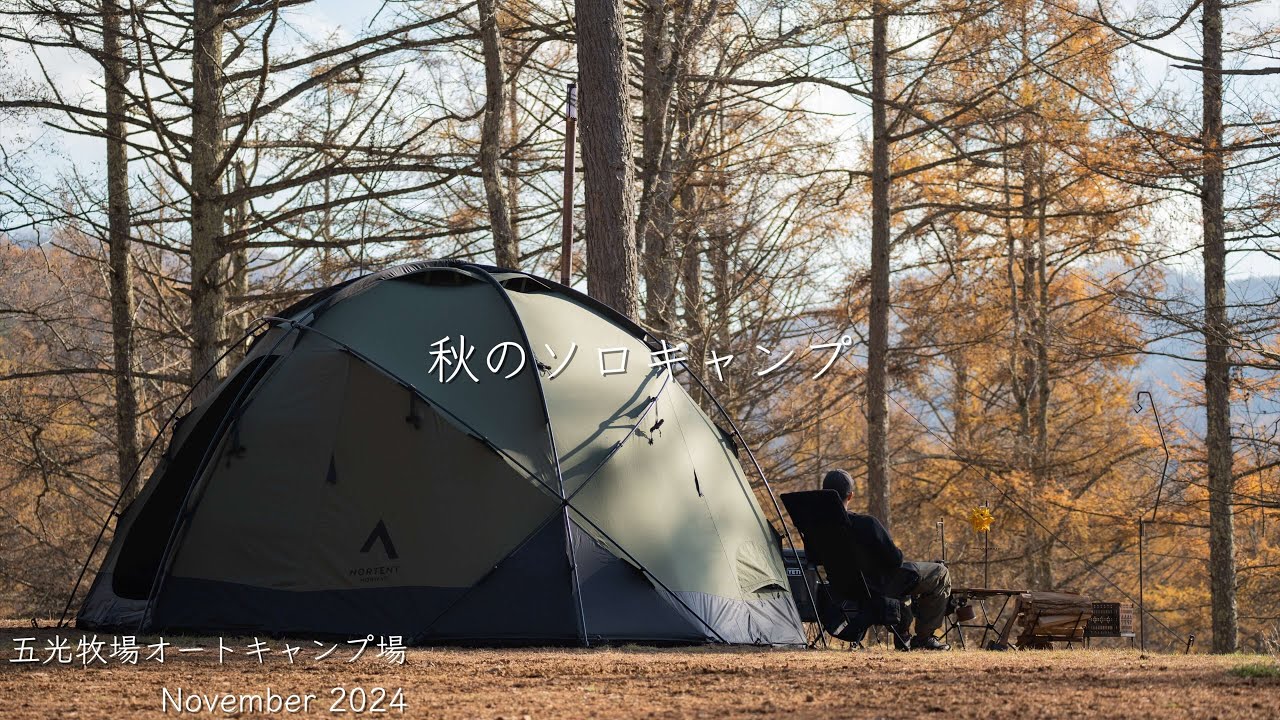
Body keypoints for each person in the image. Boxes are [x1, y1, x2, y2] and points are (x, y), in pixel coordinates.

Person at [822, 469, 952, 651]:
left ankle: (904, 632)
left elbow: (815, 558)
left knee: (907, 575)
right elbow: (896, 559)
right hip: (880, 584)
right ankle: (923, 638)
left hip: (842, 586)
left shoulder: (819, 529)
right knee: (940, 572)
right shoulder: (867, 524)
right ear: (850, 495)